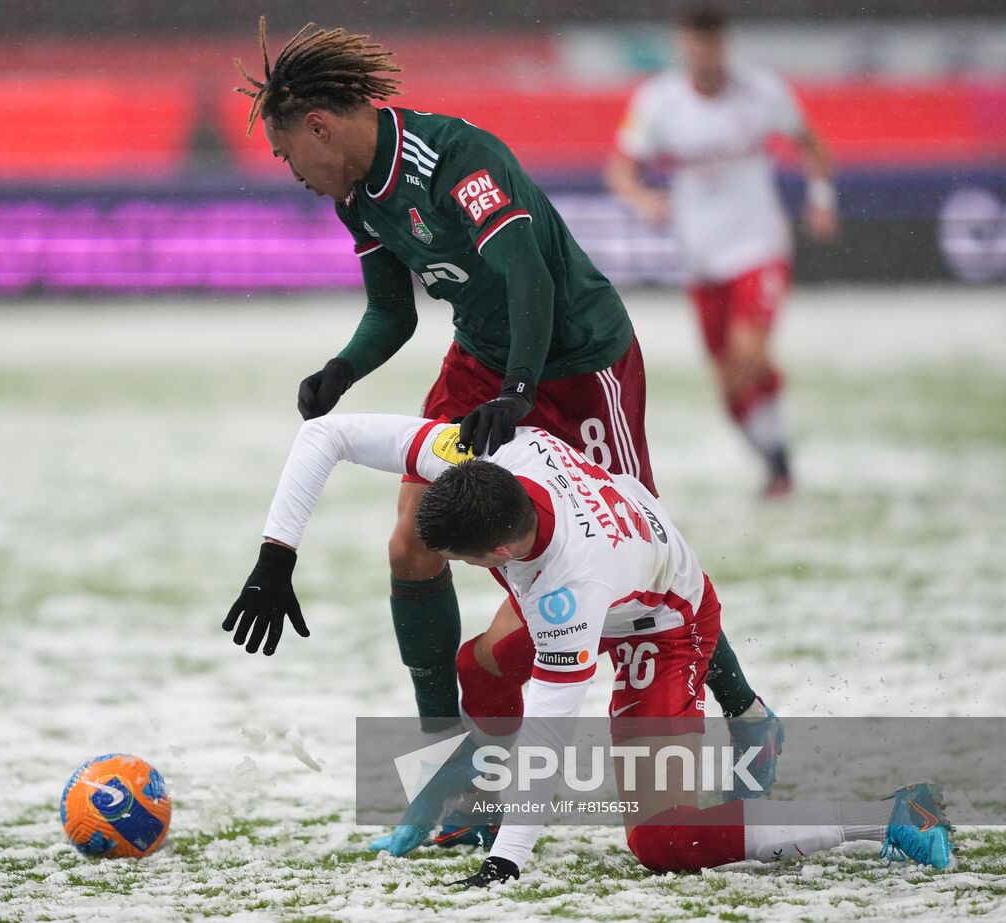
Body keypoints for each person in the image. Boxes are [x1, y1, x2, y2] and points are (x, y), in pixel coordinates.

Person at [232, 16, 781, 838]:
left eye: (286, 156)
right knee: (410, 541)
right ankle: (451, 770)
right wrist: (342, 370)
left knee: (644, 547)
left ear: (318, 126)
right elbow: (391, 313)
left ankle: (746, 709)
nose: (293, 174)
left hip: (578, 359)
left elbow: (528, 275)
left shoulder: (458, 159)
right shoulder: (356, 199)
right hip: (484, 364)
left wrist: (524, 389)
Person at [222, 412, 955, 881]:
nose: (474, 572)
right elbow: (327, 434)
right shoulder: (486, 446)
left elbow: (549, 729)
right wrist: (275, 554)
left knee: (661, 841)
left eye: (475, 562)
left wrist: (510, 861)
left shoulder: (567, 590)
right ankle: (471, 799)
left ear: (502, 547)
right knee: (476, 666)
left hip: (663, 624)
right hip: (620, 556)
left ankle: (888, 814)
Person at [605, 4, 838, 497]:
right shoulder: (658, 100)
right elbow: (620, 168)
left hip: (758, 243)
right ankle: (776, 461)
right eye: (695, 40)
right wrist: (644, 198)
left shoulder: (762, 90)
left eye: (711, 40)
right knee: (729, 379)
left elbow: (810, 141)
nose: (704, 50)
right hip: (699, 253)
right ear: (684, 45)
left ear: (723, 44)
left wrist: (821, 198)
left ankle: (777, 459)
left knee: (748, 352)